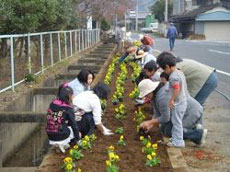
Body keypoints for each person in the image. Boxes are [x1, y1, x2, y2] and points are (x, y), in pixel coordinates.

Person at [139, 79, 208, 147]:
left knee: (169, 131)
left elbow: (165, 118)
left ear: (151, 91)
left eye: (146, 95)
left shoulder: (163, 97)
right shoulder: (155, 95)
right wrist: (151, 124)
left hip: (190, 113)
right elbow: (157, 113)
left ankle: (198, 135)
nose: (145, 97)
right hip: (182, 113)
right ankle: (191, 129)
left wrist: (149, 122)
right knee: (164, 128)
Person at [156, 52, 189, 147]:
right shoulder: (179, 72)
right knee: (176, 121)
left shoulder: (173, 76)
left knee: (177, 122)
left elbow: (176, 88)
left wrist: (172, 100)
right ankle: (175, 138)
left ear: (167, 66)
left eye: (163, 69)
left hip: (178, 103)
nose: (164, 71)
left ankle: (178, 142)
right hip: (183, 101)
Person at [46, 84, 81, 153]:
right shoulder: (68, 108)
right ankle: (62, 143)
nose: (73, 96)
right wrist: (78, 138)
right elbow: (74, 125)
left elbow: (56, 117)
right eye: (72, 95)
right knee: (75, 130)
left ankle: (58, 144)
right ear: (69, 96)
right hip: (61, 135)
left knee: (61, 125)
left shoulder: (53, 103)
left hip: (50, 134)